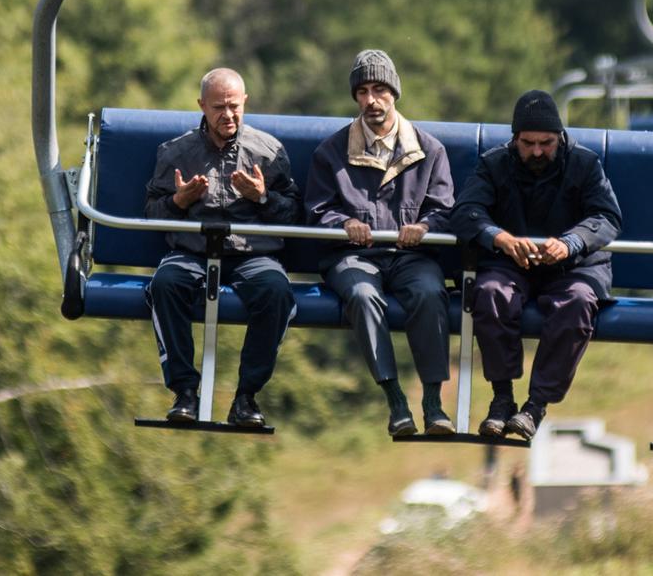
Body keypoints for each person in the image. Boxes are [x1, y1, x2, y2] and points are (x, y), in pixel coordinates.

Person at [304, 49, 460, 437]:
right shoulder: (331, 153)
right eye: (362, 92)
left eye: (379, 90)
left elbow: (444, 209)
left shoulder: (429, 151)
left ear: (394, 93)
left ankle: (432, 401)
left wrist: (424, 227)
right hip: (353, 256)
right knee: (361, 295)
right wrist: (346, 223)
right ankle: (395, 400)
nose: (371, 100)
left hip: (411, 258)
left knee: (428, 293)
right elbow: (318, 210)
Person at [452, 89, 622, 443]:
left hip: (573, 268)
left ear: (559, 137)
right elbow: (467, 211)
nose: (538, 152)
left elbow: (606, 216)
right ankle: (502, 398)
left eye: (546, 142)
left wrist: (570, 243)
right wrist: (500, 239)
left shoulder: (585, 164)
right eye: (528, 143)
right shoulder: (494, 163)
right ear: (515, 139)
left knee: (577, 303)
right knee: (490, 292)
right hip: (512, 264)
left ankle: (535, 406)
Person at [144, 67, 300, 427]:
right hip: (193, 250)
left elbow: (294, 213)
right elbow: (152, 211)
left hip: (252, 254)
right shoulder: (175, 153)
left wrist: (262, 197)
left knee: (276, 292)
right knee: (165, 285)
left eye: (233, 106)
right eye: (218, 107)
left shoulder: (268, 152)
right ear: (201, 106)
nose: (227, 115)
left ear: (245, 102)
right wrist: (179, 203)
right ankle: (184, 392)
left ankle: (246, 396)